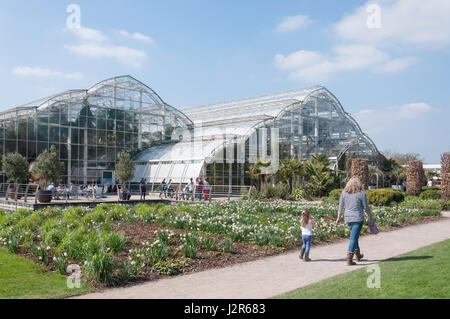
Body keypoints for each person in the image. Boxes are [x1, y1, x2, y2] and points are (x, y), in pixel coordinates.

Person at [336, 177, 373, 265]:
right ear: (359, 184)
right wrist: (370, 217)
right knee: (353, 238)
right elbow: (366, 207)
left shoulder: (344, 193)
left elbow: (340, 207)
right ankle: (349, 259)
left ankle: (358, 255)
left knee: (354, 237)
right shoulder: (361, 194)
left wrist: (338, 218)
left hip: (348, 218)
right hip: (357, 218)